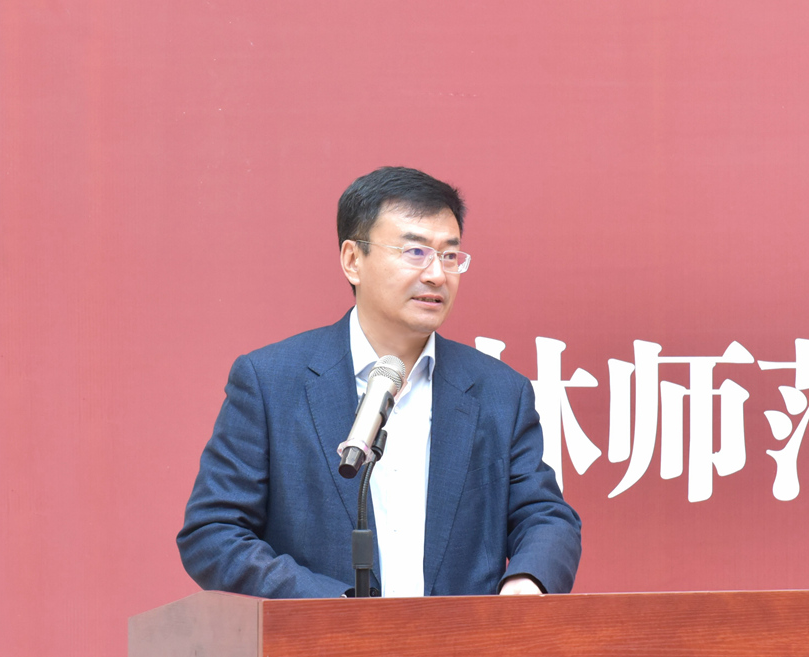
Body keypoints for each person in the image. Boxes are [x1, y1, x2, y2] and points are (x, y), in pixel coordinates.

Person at [178, 166, 581, 598]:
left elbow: (545, 516)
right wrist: (332, 609)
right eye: (415, 252)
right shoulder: (271, 382)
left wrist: (527, 581)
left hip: (463, 634)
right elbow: (214, 533)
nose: (436, 274)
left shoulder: (500, 392)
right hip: (323, 633)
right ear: (353, 260)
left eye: (449, 255)